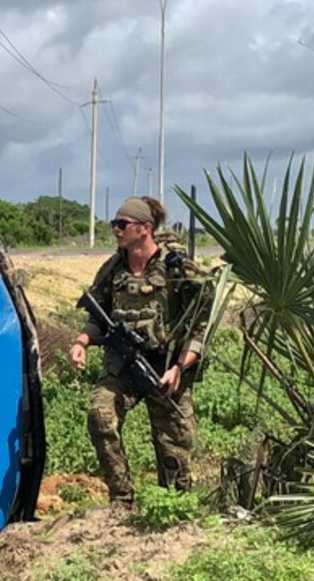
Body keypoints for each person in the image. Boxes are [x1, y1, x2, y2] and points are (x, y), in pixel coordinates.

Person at [67, 196, 212, 506]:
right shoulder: (112, 269)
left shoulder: (177, 269)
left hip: (167, 369)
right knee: (100, 415)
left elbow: (201, 325)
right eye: (114, 224)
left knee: (175, 447)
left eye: (123, 225)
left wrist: (181, 367)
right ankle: (121, 501)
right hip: (124, 367)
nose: (116, 230)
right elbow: (97, 316)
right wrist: (82, 342)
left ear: (145, 229)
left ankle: (173, 509)